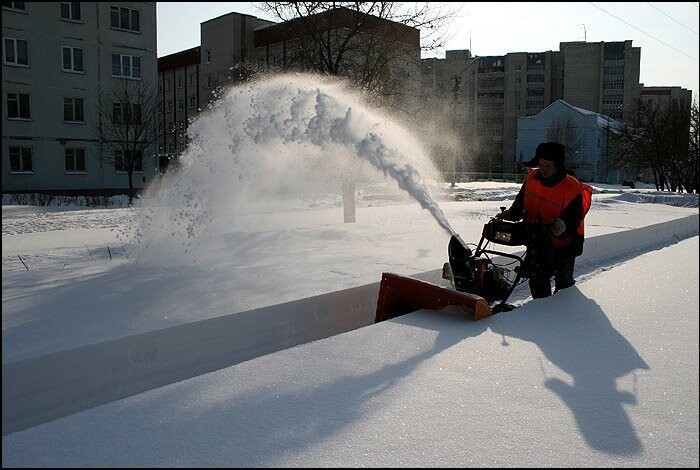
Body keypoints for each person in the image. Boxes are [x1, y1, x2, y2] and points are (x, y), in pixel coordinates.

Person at [497, 142, 592, 299]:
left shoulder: (571, 187)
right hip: (537, 236)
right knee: (537, 276)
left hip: (565, 241)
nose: (543, 169)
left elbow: (574, 218)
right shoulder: (532, 177)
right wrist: (511, 214)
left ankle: (567, 311)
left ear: (558, 166)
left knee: (563, 283)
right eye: (541, 165)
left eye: (548, 166)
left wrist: (563, 226)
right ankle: (541, 310)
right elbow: (520, 202)